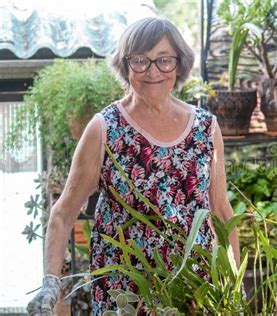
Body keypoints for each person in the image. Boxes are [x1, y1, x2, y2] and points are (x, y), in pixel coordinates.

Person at [27, 17, 240, 315]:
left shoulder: (206, 127)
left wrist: (233, 282)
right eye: (140, 60)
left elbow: (220, 211)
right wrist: (50, 283)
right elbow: (63, 213)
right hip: (123, 293)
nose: (153, 71)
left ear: (179, 65)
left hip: (191, 286)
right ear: (125, 66)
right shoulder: (104, 128)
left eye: (164, 60)